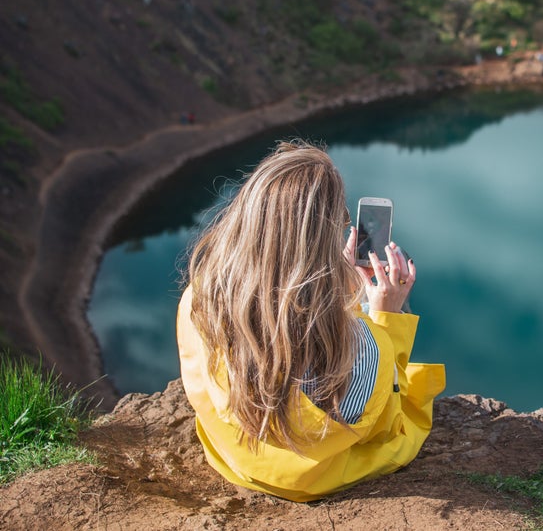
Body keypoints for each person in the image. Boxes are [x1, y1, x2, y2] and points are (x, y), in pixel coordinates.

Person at [176, 141, 446, 501]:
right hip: (312, 479)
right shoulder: (360, 347)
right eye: (341, 220)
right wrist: (384, 314)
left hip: (233, 456)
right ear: (323, 239)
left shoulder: (201, 295)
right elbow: (382, 425)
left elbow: (281, 325)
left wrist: (337, 287)